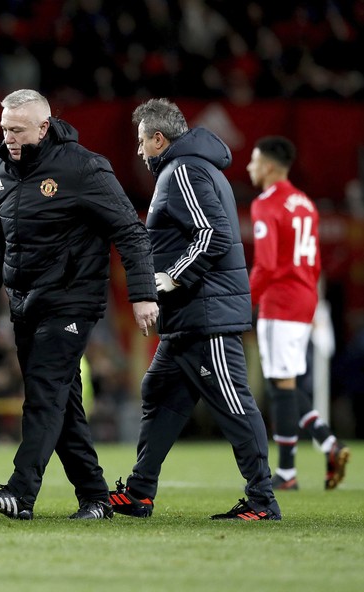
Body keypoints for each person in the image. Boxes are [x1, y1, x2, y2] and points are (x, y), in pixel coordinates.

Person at [0, 89, 159, 520]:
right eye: (4, 129)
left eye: (17, 130)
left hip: (72, 300)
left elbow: (130, 230)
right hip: (24, 302)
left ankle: (21, 492)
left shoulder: (83, 167)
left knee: (44, 393)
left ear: (44, 127)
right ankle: (95, 497)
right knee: (61, 404)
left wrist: (143, 294)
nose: (8, 138)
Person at [110, 98, 281, 521]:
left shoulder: (183, 169)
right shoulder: (190, 167)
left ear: (158, 138)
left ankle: (262, 500)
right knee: (160, 392)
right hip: (190, 316)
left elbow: (213, 234)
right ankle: (139, 492)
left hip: (207, 315)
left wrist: (171, 277)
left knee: (234, 404)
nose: (138, 152)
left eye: (141, 143)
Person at [246, 136, 350, 491]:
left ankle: (288, 473)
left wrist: (245, 300)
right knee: (284, 382)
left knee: (281, 385)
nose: (250, 168)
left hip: (281, 300)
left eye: (255, 162)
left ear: (271, 166)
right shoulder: (305, 203)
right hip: (305, 297)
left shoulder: (266, 204)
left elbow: (267, 263)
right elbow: (316, 261)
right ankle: (327, 444)